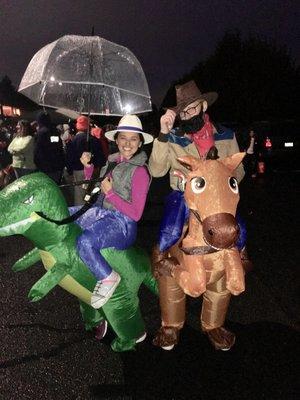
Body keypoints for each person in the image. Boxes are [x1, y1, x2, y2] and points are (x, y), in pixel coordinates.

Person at [149, 80, 246, 349]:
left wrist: (221, 175)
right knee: (170, 235)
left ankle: (214, 323)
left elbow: (240, 173)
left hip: (217, 201)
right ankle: (170, 321)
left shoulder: (226, 135)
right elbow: (156, 170)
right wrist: (163, 134)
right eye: (184, 113)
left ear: (203, 106)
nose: (189, 115)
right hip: (185, 197)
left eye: (193, 108)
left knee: (238, 234)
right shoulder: (174, 137)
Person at [71, 114, 153, 309]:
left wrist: (112, 195)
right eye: (123, 138)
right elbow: (99, 187)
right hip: (103, 214)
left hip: (123, 224)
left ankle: (108, 277)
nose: (127, 143)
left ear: (140, 143)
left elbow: (136, 214)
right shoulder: (113, 161)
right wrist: (89, 168)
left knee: (85, 242)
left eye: (133, 139)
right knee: (67, 216)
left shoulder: (140, 171)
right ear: (116, 139)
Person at [65, 115, 106, 205]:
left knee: (80, 195)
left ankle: (80, 214)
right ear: (88, 126)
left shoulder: (72, 141)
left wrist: (70, 171)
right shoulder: (94, 140)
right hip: (93, 171)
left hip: (78, 171)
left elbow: (69, 158)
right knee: (91, 194)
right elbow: (101, 158)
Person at [34, 111, 65, 184]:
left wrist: (38, 164)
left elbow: (37, 151)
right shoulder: (55, 131)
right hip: (57, 165)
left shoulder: (41, 133)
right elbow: (58, 146)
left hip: (45, 167)